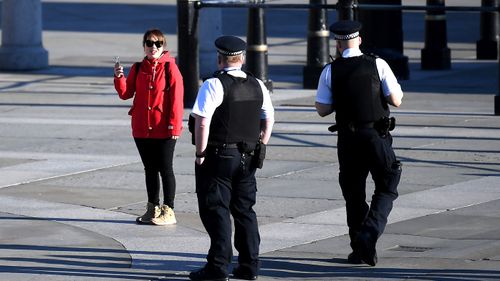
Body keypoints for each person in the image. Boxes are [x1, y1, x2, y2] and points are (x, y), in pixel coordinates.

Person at [315, 20, 403, 266]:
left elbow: (322, 109)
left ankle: (359, 249)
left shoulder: (330, 71)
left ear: (338, 43)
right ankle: (369, 233)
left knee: (354, 194)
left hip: (348, 138)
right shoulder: (377, 64)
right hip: (376, 136)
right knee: (386, 187)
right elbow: (396, 100)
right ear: (359, 40)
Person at [189, 35, 274, 281]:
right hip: (248, 156)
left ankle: (217, 266)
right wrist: (261, 145)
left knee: (216, 209)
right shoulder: (257, 84)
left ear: (220, 58)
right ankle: (249, 266)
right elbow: (268, 119)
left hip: (219, 155)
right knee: (245, 210)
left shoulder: (214, 84)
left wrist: (200, 153)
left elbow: (202, 121)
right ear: (242, 58)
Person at [114, 28, 184, 226]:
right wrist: (119, 77)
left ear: (163, 46)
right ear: (144, 46)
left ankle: (168, 210)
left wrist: (175, 128)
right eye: (149, 43)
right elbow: (126, 94)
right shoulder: (138, 68)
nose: (153, 47)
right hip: (142, 127)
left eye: (158, 44)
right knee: (149, 169)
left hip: (164, 128)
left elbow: (177, 101)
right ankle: (152, 207)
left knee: (165, 168)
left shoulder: (170, 69)